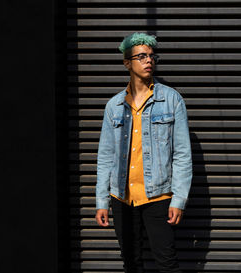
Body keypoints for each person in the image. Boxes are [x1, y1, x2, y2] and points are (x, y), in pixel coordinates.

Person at [95, 32, 192, 273]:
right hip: (122, 199)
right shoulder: (114, 106)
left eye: (151, 56)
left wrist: (178, 199)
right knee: (131, 263)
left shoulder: (171, 100)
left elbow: (182, 154)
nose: (149, 61)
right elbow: (105, 156)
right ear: (127, 62)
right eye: (141, 56)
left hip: (158, 198)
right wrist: (101, 201)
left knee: (167, 264)